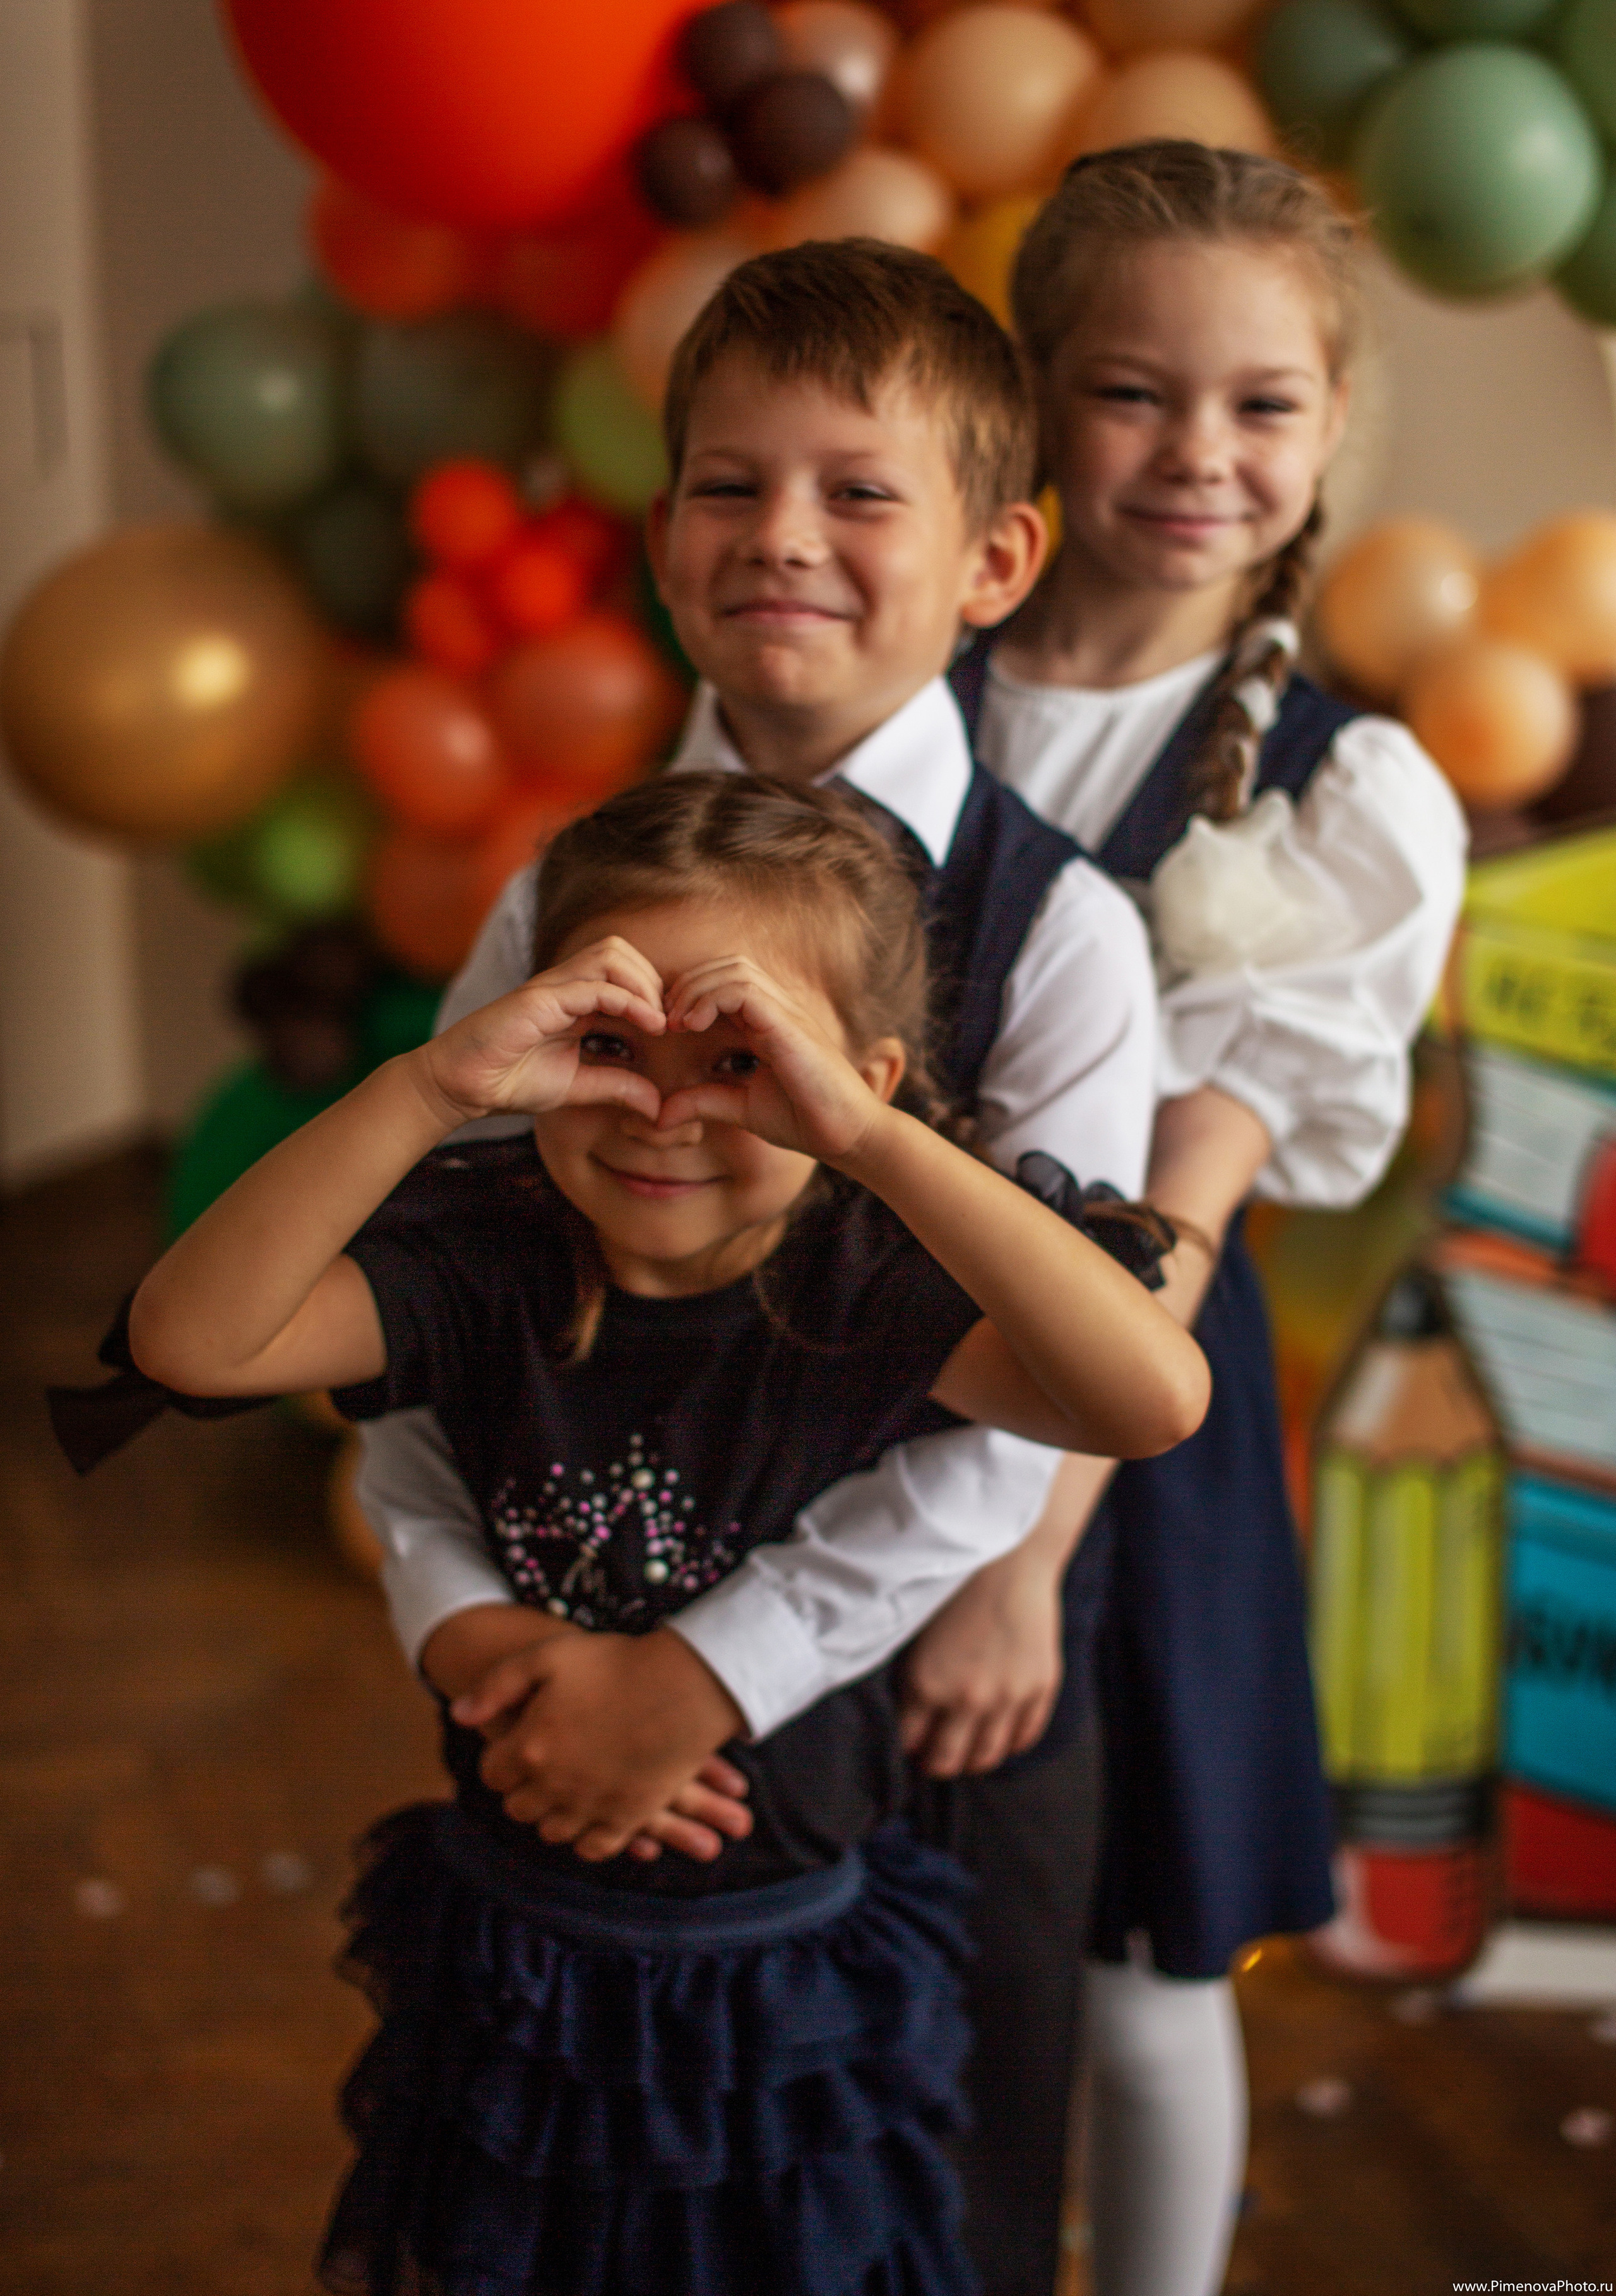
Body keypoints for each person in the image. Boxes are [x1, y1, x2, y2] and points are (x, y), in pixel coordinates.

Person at [119, 768, 1209, 2296]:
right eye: (610, 1050)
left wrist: (867, 1138)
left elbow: (1150, 1400)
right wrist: (431, 1089)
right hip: (520, 1960)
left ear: (852, 1080)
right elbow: (187, 1344)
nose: (670, 1114)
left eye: (742, 1064)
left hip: (794, 1980)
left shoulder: (864, 1278)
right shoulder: (489, 1255)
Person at [354, 241, 1162, 2292]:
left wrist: (714, 1674)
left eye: (857, 491)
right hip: (546, 1694)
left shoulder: (1064, 933)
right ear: (662, 536)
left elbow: (1040, 1382)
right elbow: (437, 1297)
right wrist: (466, 1624)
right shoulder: (554, 896)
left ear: (996, 560)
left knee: (928, 2202)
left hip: (927, 1694)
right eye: (729, 485)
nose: (782, 535)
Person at [898, 140, 1469, 2296]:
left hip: (1113, 1448)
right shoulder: (897, 672)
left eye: (1262, 404)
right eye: (1134, 392)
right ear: (1037, 392)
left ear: (1332, 427)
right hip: (863, 1363)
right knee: (891, 1935)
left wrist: (1018, 1565)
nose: (1199, 453)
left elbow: (1172, 1221)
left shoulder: (1342, 794)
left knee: (1140, 1982)